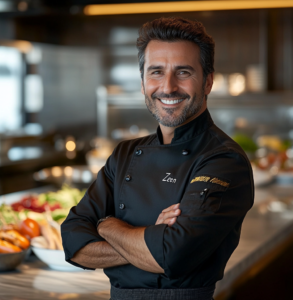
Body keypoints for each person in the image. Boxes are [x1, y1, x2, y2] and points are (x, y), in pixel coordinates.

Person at [61, 17, 254, 300]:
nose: (168, 86)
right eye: (156, 72)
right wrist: (149, 236)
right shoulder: (125, 153)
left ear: (208, 81)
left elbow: (170, 255)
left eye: (183, 72)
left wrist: (106, 225)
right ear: (142, 83)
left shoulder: (224, 159)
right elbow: (73, 242)